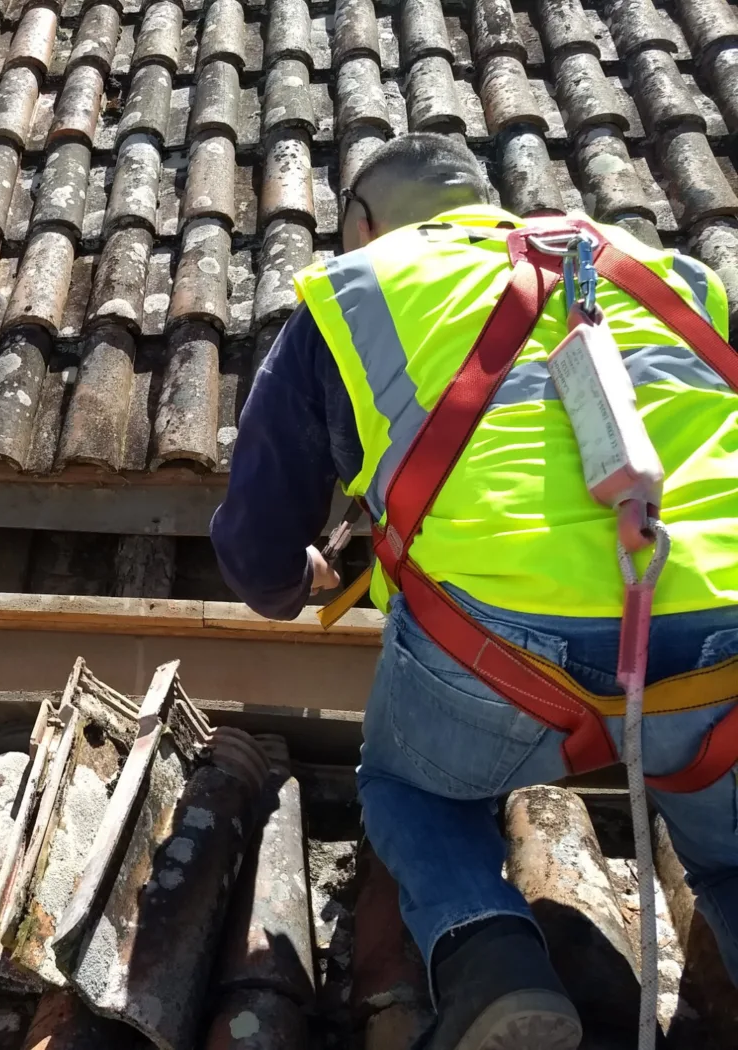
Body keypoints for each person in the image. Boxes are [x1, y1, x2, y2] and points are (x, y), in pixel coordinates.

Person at [211, 131, 738, 1050]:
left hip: (499, 650)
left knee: (411, 793)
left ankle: (491, 962)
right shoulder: (678, 274)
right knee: (730, 858)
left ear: (363, 224)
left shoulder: (357, 293)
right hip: (722, 638)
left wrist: (303, 578)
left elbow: (256, 559)